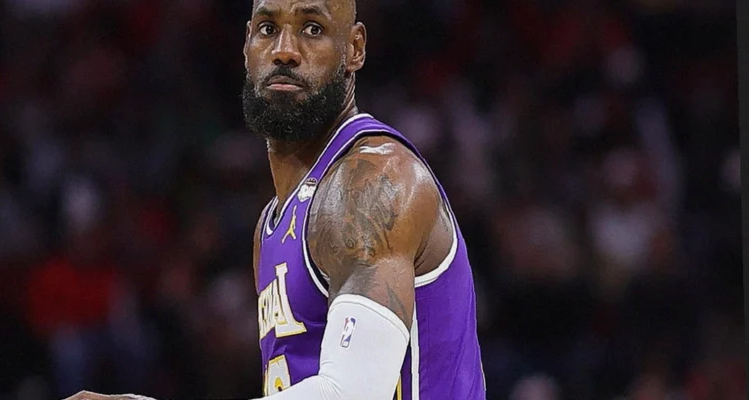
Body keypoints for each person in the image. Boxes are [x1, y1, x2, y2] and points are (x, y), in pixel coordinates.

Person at [65, 0, 485, 399]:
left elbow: (353, 394)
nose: (284, 51)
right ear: (247, 45)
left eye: (312, 29)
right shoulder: (273, 222)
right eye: (268, 29)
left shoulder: (375, 181)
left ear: (355, 48)